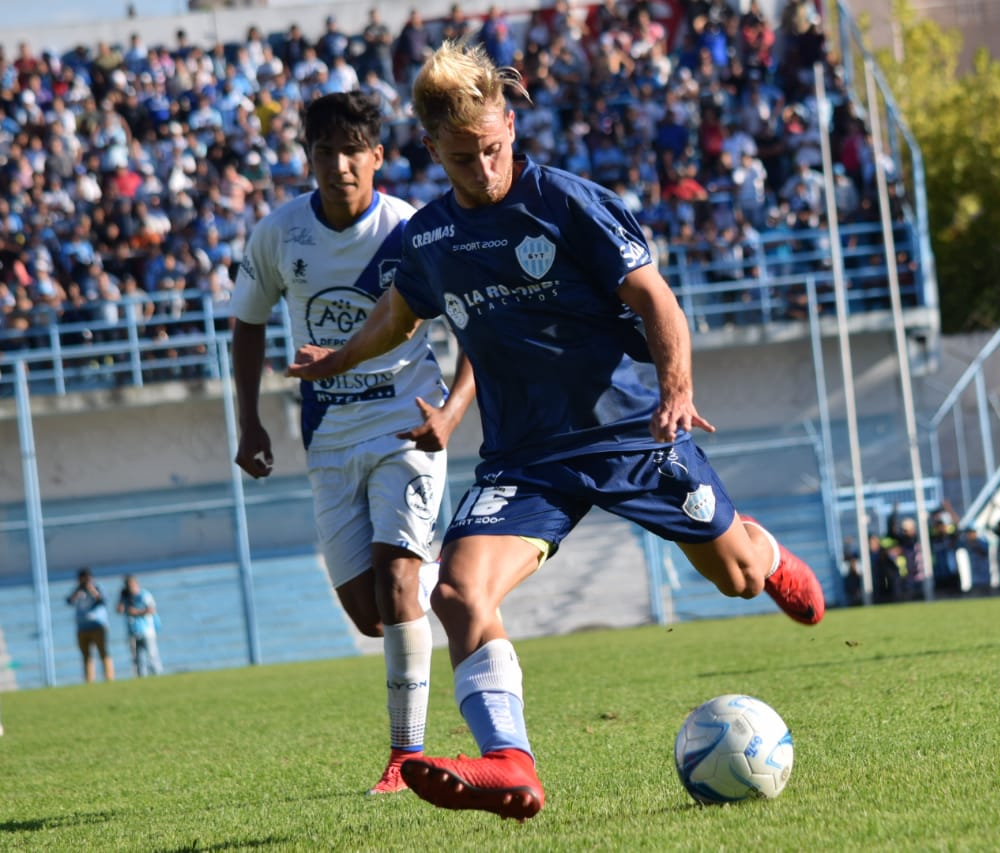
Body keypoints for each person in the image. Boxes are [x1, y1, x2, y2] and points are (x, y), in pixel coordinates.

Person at [287, 41, 826, 821]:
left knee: (734, 575)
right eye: (463, 158)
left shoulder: (568, 201)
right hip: (525, 460)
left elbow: (656, 300)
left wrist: (676, 390)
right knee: (458, 591)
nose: (484, 169)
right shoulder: (430, 239)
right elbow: (394, 316)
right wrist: (335, 356)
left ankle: (764, 551)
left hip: (631, 435)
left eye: (494, 149)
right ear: (433, 149)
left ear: (510, 123)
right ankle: (509, 760)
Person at [231, 91, 476, 795]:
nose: (338, 165)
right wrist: (249, 421)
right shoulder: (280, 234)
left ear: (376, 157)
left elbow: (475, 332)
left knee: (399, 580)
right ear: (309, 160)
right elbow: (246, 323)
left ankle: (406, 756)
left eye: (351, 151)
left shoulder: (412, 231)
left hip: (407, 423)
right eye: (324, 153)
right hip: (329, 435)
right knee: (371, 615)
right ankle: (441, 574)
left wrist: (452, 414)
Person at [66, 567, 115, 683]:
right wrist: (76, 592)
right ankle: (89, 680)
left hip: (97, 626)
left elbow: (104, 601)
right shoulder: (77, 591)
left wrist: (92, 590)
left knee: (103, 652)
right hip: (82, 627)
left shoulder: (97, 588)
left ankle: (109, 678)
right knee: (86, 656)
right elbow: (68, 601)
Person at [117, 574, 163, 677]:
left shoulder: (144, 595)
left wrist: (136, 612)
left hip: (147, 630)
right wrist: (121, 598)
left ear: (136, 584)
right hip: (132, 631)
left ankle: (157, 675)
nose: (130, 587)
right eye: (128, 585)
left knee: (152, 656)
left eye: (131, 584)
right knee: (137, 659)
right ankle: (141, 678)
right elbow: (119, 611)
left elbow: (152, 610)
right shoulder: (126, 597)